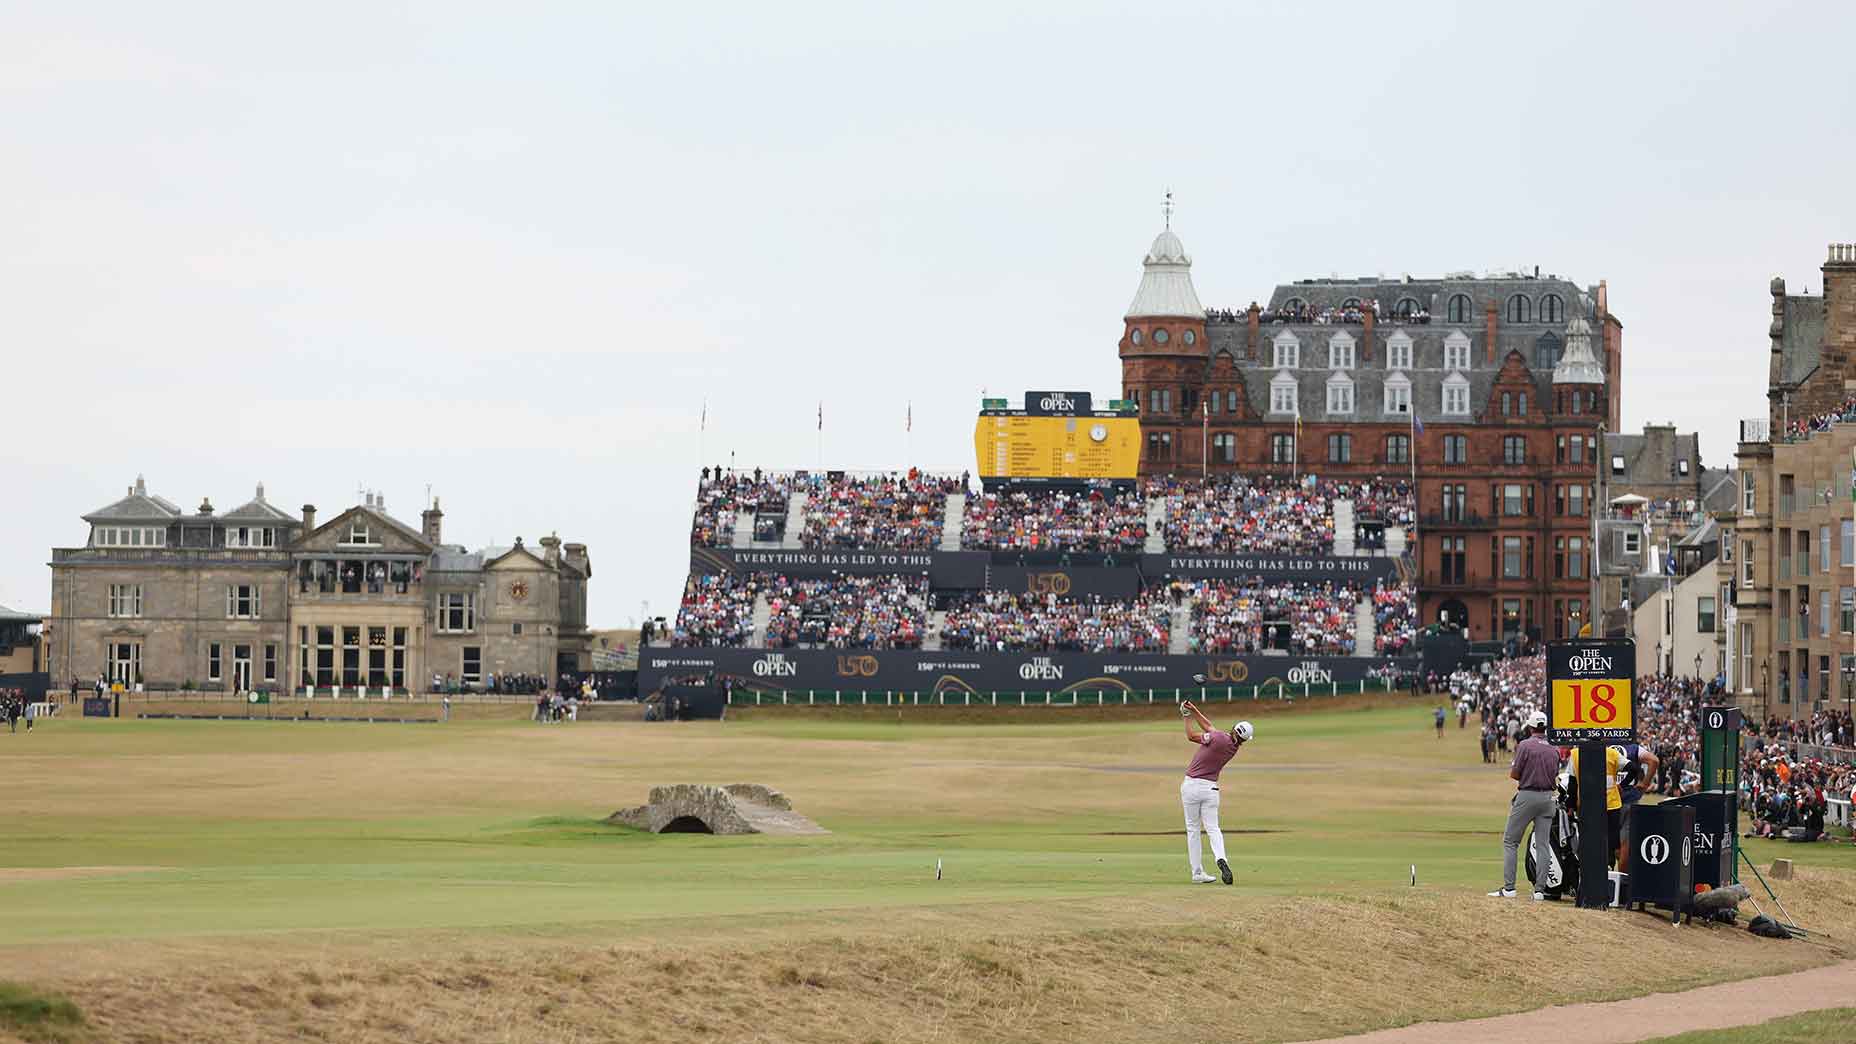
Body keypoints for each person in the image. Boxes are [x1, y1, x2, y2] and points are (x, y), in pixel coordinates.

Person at [1178, 700, 1252, 885]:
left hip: (1191, 786)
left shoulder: (1219, 737)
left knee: (1193, 830)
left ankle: (1197, 872)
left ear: (1234, 728)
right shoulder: (1232, 748)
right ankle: (1221, 859)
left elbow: (1191, 735)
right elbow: (1209, 727)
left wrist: (1187, 716)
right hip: (1211, 790)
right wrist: (1194, 710)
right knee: (1213, 829)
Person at [1491, 710, 1558, 900]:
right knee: (1543, 845)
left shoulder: (1525, 746)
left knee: (1511, 841)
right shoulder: (1553, 748)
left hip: (1527, 796)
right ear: (1544, 727)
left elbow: (1514, 774)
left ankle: (1510, 888)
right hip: (1548, 798)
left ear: (1530, 727)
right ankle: (1539, 891)